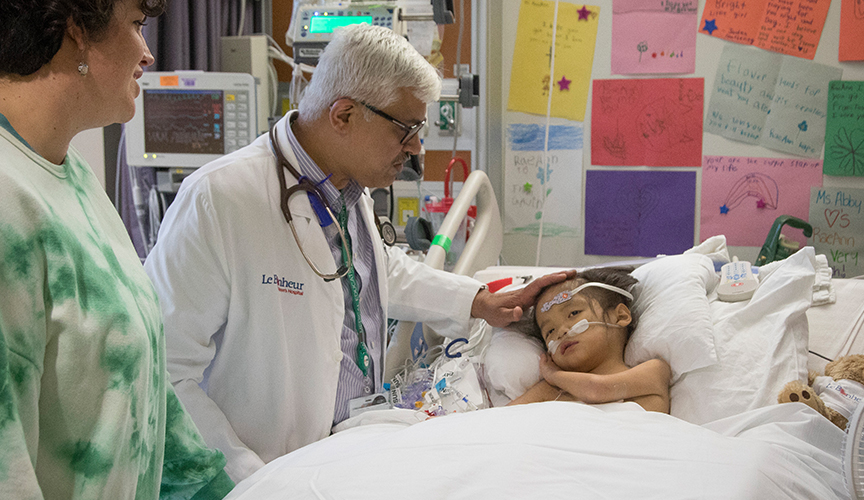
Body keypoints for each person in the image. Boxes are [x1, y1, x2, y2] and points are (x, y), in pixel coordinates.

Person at [143, 23, 574, 483]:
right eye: (406, 129)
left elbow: (375, 269)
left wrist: (478, 301)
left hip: (352, 452)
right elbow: (164, 372)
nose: (416, 149)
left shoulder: (347, 187)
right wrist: (247, 477)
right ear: (344, 115)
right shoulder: (219, 198)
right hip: (266, 471)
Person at [0, 1, 234, 498]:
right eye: (136, 24)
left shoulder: (72, 174)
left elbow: (145, 392)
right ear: (76, 31)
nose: (147, 53)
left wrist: (216, 489)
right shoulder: (7, 205)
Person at [508, 267, 671, 413]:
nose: (561, 332)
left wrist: (553, 374)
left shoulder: (654, 371)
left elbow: (597, 390)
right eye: (550, 331)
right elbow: (499, 420)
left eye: (573, 314)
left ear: (620, 316)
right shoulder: (550, 391)